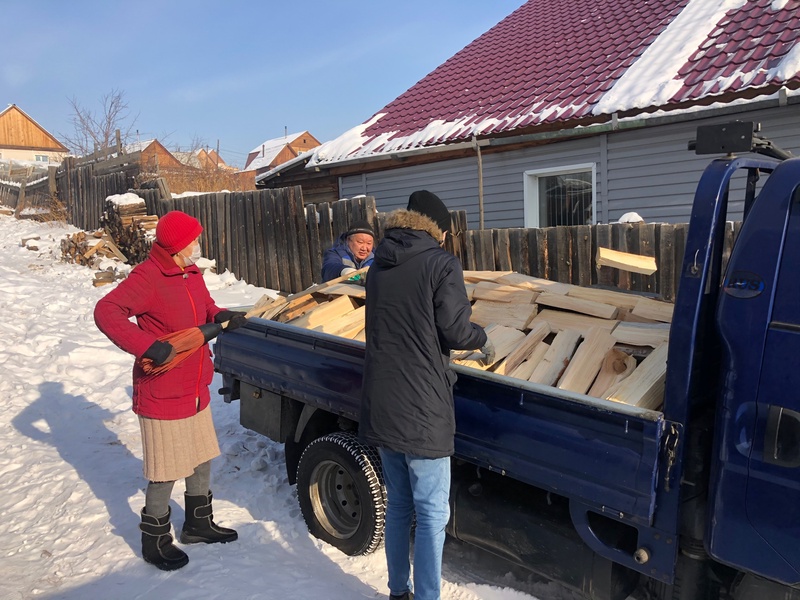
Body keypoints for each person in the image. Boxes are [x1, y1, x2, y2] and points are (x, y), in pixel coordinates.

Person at [93, 210, 247, 571]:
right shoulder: (148, 277)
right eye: (193, 240)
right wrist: (146, 345)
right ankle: (155, 539)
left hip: (195, 385)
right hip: (164, 387)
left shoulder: (190, 272)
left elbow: (205, 308)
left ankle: (197, 524)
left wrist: (222, 315)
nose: (198, 245)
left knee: (200, 456)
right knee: (165, 469)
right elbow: (107, 311)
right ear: (178, 245)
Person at [359, 190, 494, 600]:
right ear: (441, 229)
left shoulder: (377, 266)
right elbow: (454, 330)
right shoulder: (441, 263)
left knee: (399, 504)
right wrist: (482, 337)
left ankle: (399, 591)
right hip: (423, 406)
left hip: (383, 401)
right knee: (433, 512)